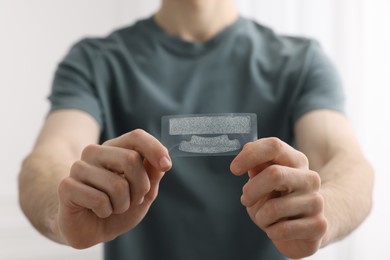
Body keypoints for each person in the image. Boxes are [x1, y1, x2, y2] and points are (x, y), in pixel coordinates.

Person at [18, 0, 374, 259]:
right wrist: (61, 216)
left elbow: (341, 159)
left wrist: (322, 212)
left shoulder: (301, 61)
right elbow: (52, 156)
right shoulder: (95, 60)